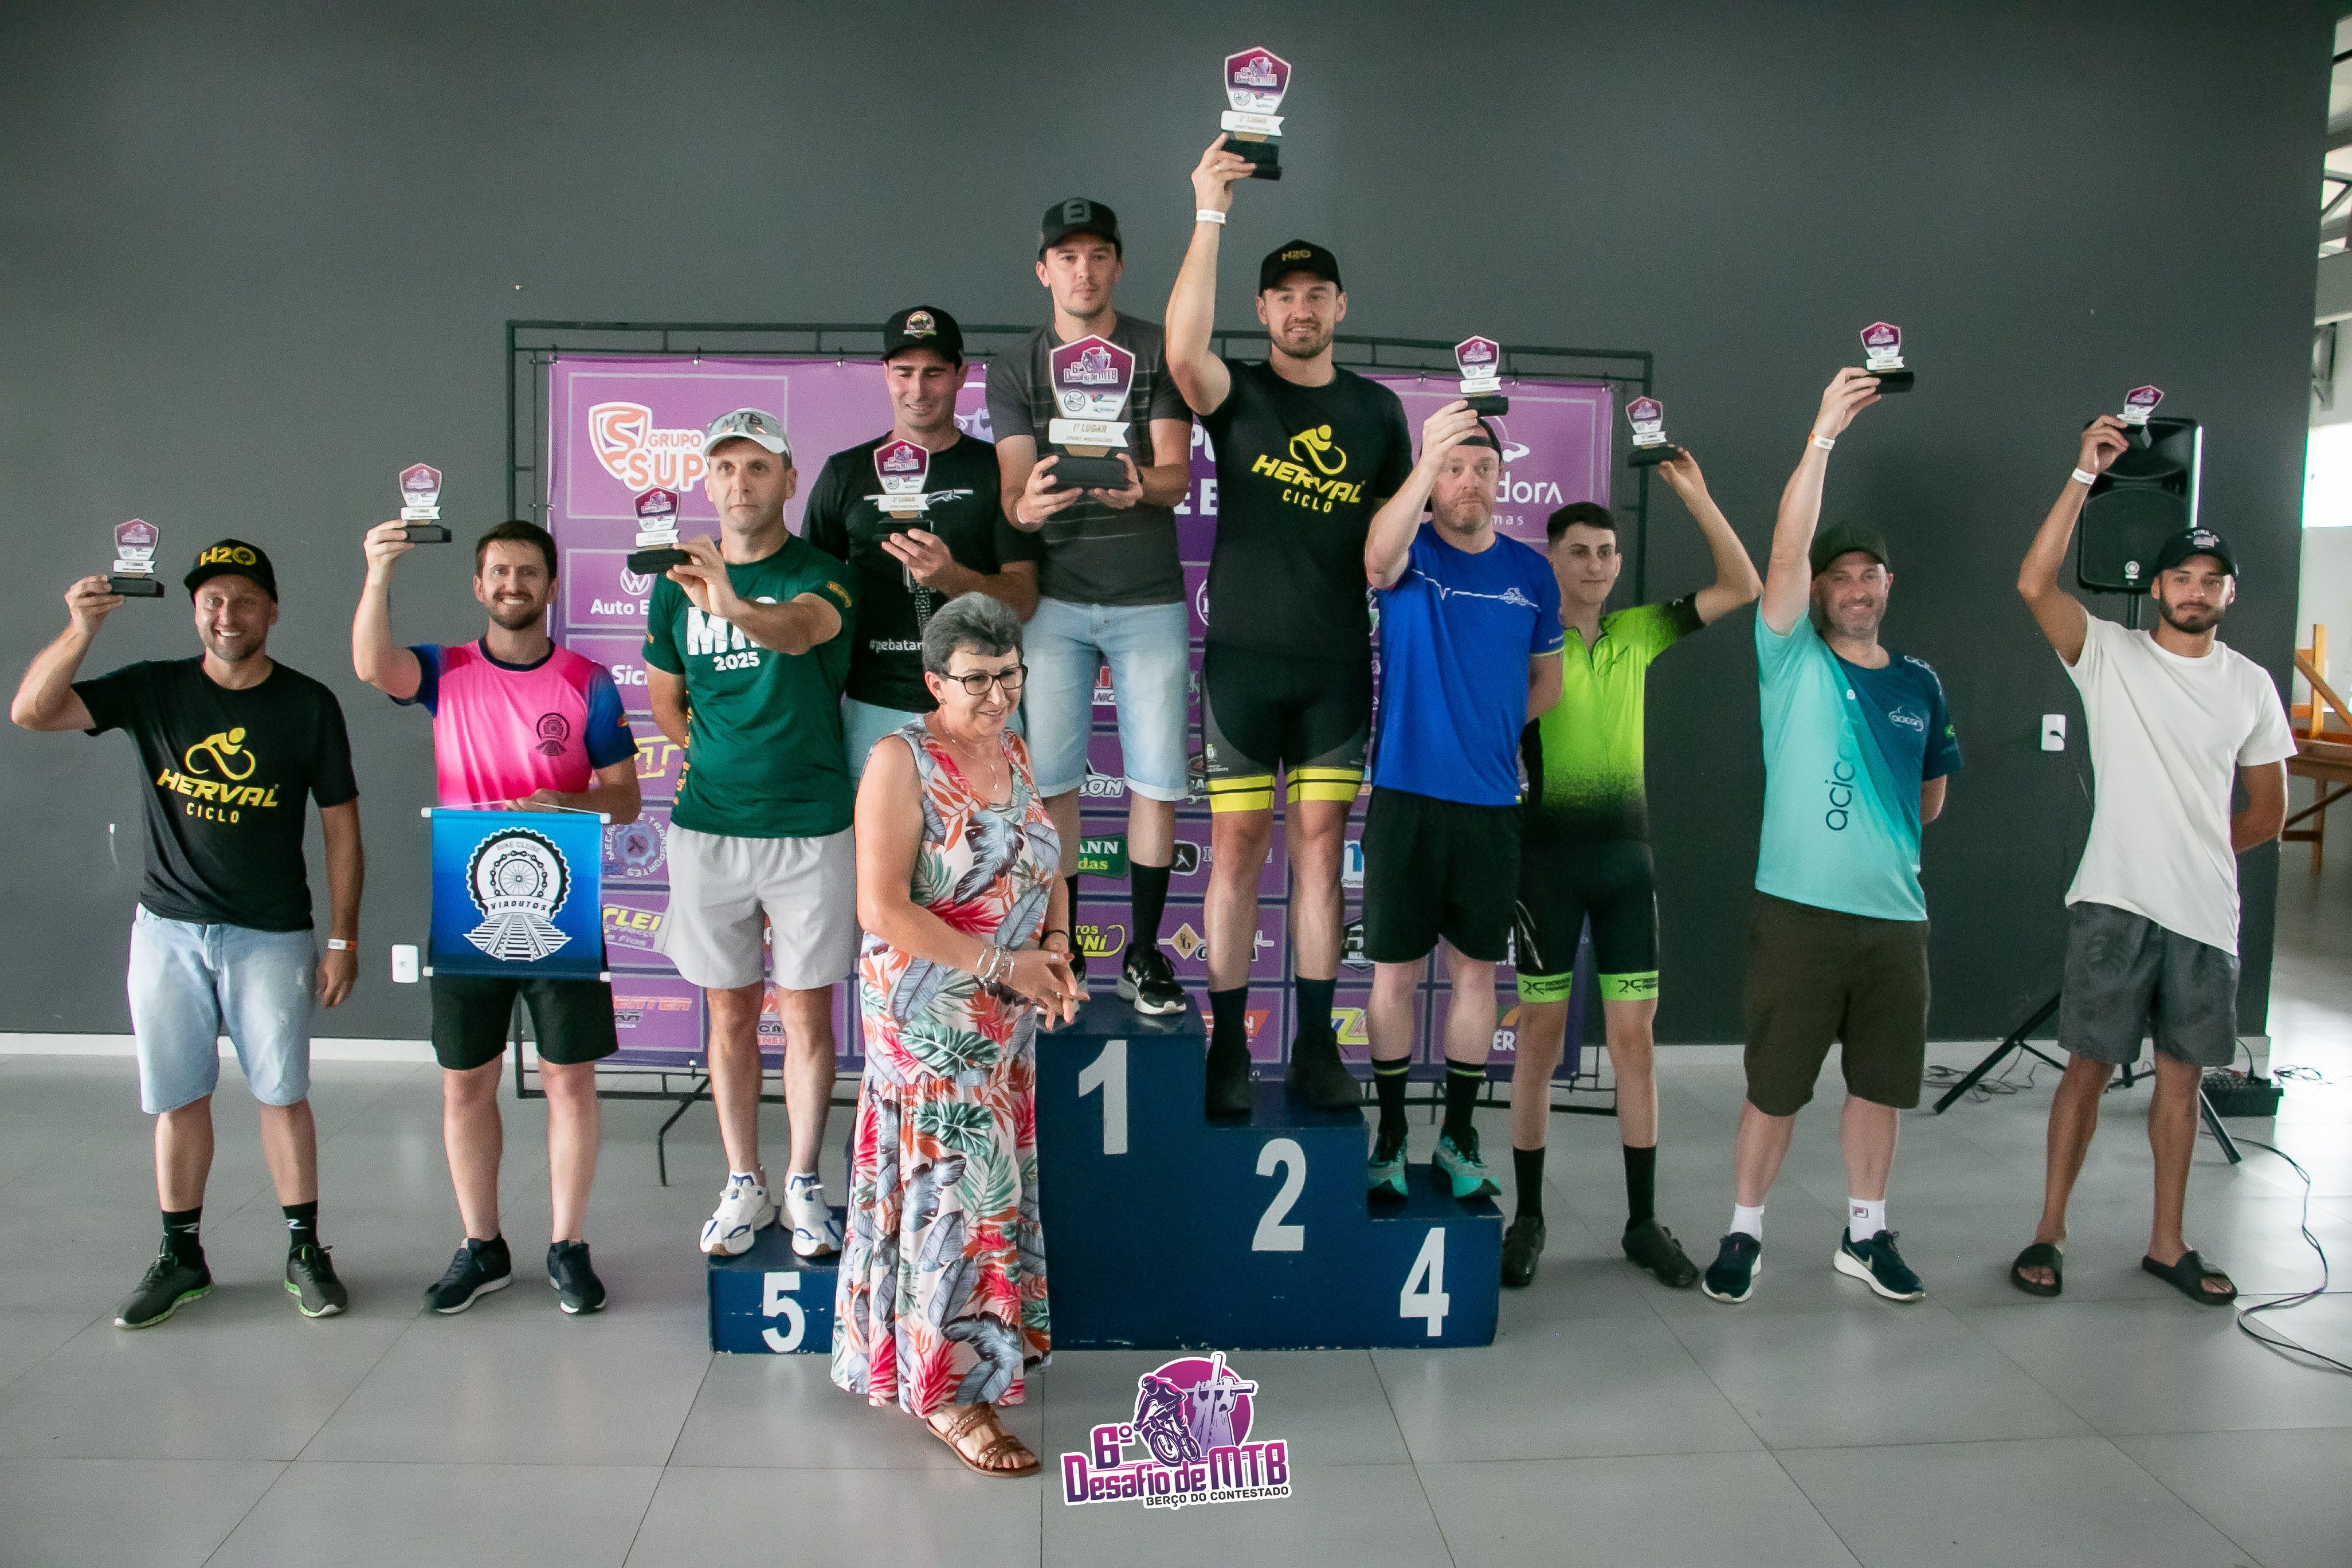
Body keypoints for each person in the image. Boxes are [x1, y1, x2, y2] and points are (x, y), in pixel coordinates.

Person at [11, 541, 362, 1326]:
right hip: (167, 931)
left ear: (272, 611)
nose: (228, 616)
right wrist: (80, 629)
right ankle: (181, 1256)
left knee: (283, 1096)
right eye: (213, 601)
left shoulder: (307, 704)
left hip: (271, 933)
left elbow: (341, 826)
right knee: (177, 1098)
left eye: (244, 601)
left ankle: (305, 1250)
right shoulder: (153, 689)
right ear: (195, 611)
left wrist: (344, 937)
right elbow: (32, 711)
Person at [2010, 420, 2292, 1306]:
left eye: (2212, 580)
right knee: (2086, 1070)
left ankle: (2167, 1244)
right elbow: (2033, 583)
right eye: (2183, 578)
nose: (2196, 591)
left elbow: (2269, 811)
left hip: (2204, 914)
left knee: (2180, 1084)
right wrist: (2081, 475)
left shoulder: (2250, 685)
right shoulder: (2110, 655)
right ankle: (2049, 1231)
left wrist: (2197, 847)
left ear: (2229, 593)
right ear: (2158, 586)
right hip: (2115, 903)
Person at [1701, 368, 1961, 1307]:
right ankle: (1743, 1233)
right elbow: (1781, 552)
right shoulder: (1790, 658)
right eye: (1837, 575)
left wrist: (1879, 837)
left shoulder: (1919, 683)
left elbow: (1931, 797)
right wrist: (1821, 437)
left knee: (1879, 1088)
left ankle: (1865, 1232)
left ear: (1888, 585)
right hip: (1798, 917)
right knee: (1774, 1088)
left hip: (1892, 924)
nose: (1853, 588)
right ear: (1816, 590)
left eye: (1867, 575)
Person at [1166, 140, 1415, 1117]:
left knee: (1319, 851)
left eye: (1317, 295)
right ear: (1262, 311)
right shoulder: (1237, 394)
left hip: (1333, 667)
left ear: (1340, 306)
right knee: (1234, 850)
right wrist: (1210, 211)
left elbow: (1390, 549)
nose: (1301, 309)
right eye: (1284, 297)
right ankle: (1227, 1048)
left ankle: (1315, 1046)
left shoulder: (1378, 412)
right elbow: (1181, 354)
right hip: (1241, 665)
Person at [353, 518, 641, 1315]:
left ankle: (568, 1245)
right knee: (465, 1083)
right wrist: (378, 574)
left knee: (569, 1080)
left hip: (564, 904)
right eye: (499, 572)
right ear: (478, 586)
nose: (514, 584)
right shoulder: (444, 669)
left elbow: (625, 799)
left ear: (552, 586)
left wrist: (565, 801)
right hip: (465, 901)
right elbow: (372, 666)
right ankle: (482, 1245)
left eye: (528, 572)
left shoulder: (589, 682)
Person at [835, 593, 1077, 1477]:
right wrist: (1004, 965)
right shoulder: (900, 761)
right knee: (952, 1205)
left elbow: (1049, 863)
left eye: (1010, 676)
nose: (997, 695)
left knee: (986, 1194)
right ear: (934, 680)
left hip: (1004, 1020)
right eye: (976, 680)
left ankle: (977, 1354)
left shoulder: (1014, 747)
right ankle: (949, 1396)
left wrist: (1056, 952)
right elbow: (880, 907)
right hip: (931, 1020)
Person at [1504, 457, 1761, 1290]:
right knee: (1539, 1044)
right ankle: (1529, 1218)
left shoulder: (1640, 631)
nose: (1595, 565)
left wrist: (1698, 495)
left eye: (1606, 552)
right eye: (1578, 552)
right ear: (1551, 560)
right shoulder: (1522, 642)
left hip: (1627, 867)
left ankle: (1642, 1223)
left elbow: (1744, 585)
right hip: (1544, 867)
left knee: (1634, 1046)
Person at [645, 407, 859, 1260]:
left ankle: (804, 1181)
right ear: (709, 481)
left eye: (759, 467)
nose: (742, 483)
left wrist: (730, 602)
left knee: (806, 1013)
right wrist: (715, 758)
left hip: (811, 827)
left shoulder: (825, 573)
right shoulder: (674, 582)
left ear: (789, 480)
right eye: (726, 468)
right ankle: (744, 1180)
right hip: (710, 830)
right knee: (729, 1012)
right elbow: (666, 697)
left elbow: (800, 632)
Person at [986, 198, 1193, 1019]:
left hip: (1148, 596)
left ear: (1118, 265)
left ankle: (1143, 953)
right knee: (1055, 785)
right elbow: (1013, 491)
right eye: (1067, 257)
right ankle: (1062, 947)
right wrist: (1027, 507)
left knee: (1156, 783)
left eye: (1098, 254)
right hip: (1056, 599)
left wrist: (1143, 483)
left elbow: (1175, 475)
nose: (1084, 270)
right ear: (1044, 270)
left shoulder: (1156, 350)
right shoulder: (1015, 365)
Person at [1357, 406, 1562, 1199]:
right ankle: (1390, 1135)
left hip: (1490, 806)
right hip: (1406, 797)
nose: (1469, 481)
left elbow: (1548, 685)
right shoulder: (1409, 553)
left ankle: (1459, 1135)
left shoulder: (1531, 573)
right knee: (1394, 976)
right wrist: (1427, 459)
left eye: (1483, 468)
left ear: (1502, 480)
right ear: (1431, 478)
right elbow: (1376, 558)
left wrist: (1494, 727)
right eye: (1453, 468)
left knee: (1478, 975)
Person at [805, 306, 1040, 779]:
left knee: (991, 831)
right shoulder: (845, 473)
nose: (918, 389)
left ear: (961, 375)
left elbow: (1024, 598)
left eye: (934, 373)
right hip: (874, 704)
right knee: (877, 833)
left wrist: (952, 578)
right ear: (885, 374)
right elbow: (811, 597)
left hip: (980, 700)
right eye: (905, 372)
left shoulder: (996, 470)